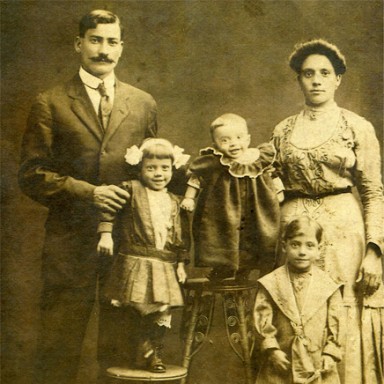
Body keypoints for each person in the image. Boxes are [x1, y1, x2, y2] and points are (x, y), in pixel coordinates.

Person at [18, 10, 157, 384]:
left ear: (122, 48)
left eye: (112, 42)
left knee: (121, 344)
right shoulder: (50, 102)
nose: (103, 50)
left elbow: (154, 171)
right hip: (69, 240)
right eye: (95, 40)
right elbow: (32, 175)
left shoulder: (142, 103)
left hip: (128, 242)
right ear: (78, 44)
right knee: (59, 342)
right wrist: (91, 194)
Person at [272, 39, 384, 383]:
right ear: (298, 80)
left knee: (342, 313)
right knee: (294, 313)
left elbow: (373, 191)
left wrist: (374, 251)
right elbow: (269, 184)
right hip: (293, 230)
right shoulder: (282, 130)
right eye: (308, 74)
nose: (316, 80)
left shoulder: (357, 127)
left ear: (338, 79)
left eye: (325, 73)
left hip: (343, 233)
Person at [97, 138, 190, 373]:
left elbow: (179, 235)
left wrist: (180, 264)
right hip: (135, 260)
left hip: (163, 263)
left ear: (172, 169)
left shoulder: (174, 201)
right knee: (134, 308)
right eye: (151, 168)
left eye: (164, 168)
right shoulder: (131, 189)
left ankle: (154, 353)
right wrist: (106, 235)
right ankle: (137, 352)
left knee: (161, 310)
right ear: (140, 169)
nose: (158, 174)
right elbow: (109, 208)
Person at [181, 113, 283, 280]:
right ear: (215, 144)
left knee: (254, 234)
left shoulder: (258, 158)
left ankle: (245, 268)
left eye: (238, 137)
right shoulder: (216, 161)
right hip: (223, 209)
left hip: (255, 207)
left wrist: (278, 192)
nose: (233, 143)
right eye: (225, 140)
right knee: (222, 236)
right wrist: (189, 198)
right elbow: (196, 177)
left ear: (248, 139)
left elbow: (272, 175)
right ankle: (223, 267)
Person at [254, 216, 344, 384]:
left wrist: (330, 353)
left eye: (309, 245)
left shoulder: (328, 285)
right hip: (282, 363)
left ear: (319, 249)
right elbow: (262, 319)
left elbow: (336, 323)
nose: (302, 251)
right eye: (295, 244)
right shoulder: (271, 283)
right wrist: (272, 349)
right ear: (284, 246)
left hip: (317, 363)